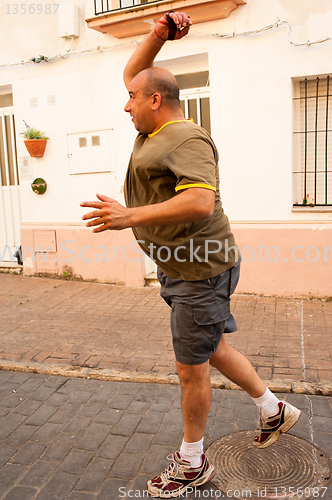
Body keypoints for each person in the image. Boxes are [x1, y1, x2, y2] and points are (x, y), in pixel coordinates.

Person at [81, 11, 301, 498]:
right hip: (187, 267)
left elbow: (201, 201)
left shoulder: (186, 137)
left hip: (200, 269)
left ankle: (191, 462)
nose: (126, 105)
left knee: (190, 368)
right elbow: (134, 73)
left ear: (155, 101)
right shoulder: (156, 129)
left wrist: (128, 217)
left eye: (133, 99)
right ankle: (273, 410)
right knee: (213, 348)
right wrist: (158, 34)